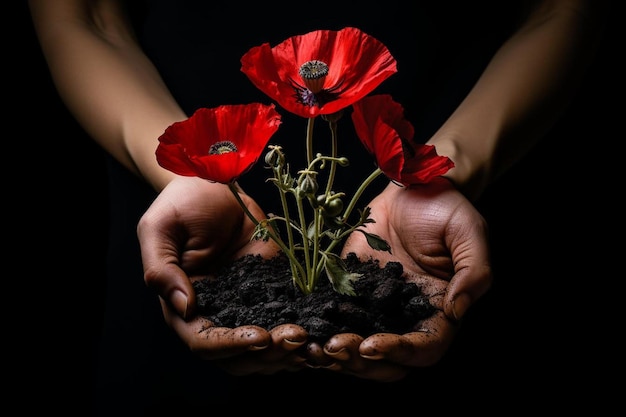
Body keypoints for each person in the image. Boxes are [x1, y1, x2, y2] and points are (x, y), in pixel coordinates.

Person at [28, 0, 610, 413]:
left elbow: (562, 10)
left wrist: (439, 171)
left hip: (457, 174)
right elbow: (84, 18)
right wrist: (189, 174)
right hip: (196, 215)